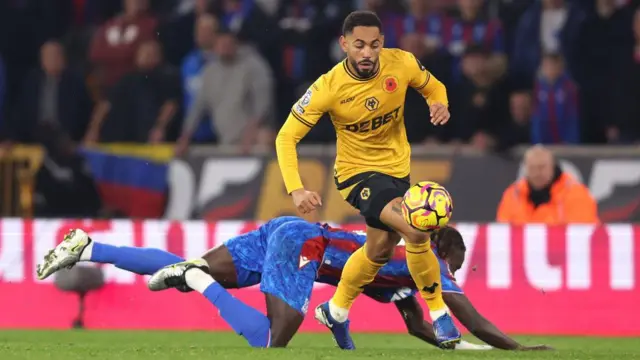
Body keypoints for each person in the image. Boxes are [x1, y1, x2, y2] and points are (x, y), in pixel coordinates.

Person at [36, 217, 550, 351]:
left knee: (178, 266)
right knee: (270, 338)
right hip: (306, 246)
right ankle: (197, 280)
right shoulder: (428, 262)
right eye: (454, 265)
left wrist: (457, 351)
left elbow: (419, 324)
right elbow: (470, 316)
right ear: (442, 251)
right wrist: (517, 347)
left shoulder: (401, 275)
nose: (453, 276)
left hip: (291, 230)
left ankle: (91, 247)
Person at [274, 10, 458, 349]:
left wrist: (439, 103)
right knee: (416, 228)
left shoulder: (400, 63)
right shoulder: (328, 88)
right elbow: (285, 138)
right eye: (359, 45)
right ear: (344, 44)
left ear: (382, 43)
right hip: (357, 175)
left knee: (379, 250)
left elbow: (434, 86)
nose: (367, 53)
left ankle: (336, 309)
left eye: (374, 45)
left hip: (397, 171)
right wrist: (295, 188)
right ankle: (440, 314)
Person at [496, 145, 599, 224]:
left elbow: (581, 232)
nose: (537, 173)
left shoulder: (575, 193)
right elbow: (503, 230)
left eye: (542, 167)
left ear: (553, 167)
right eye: (532, 168)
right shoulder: (513, 195)